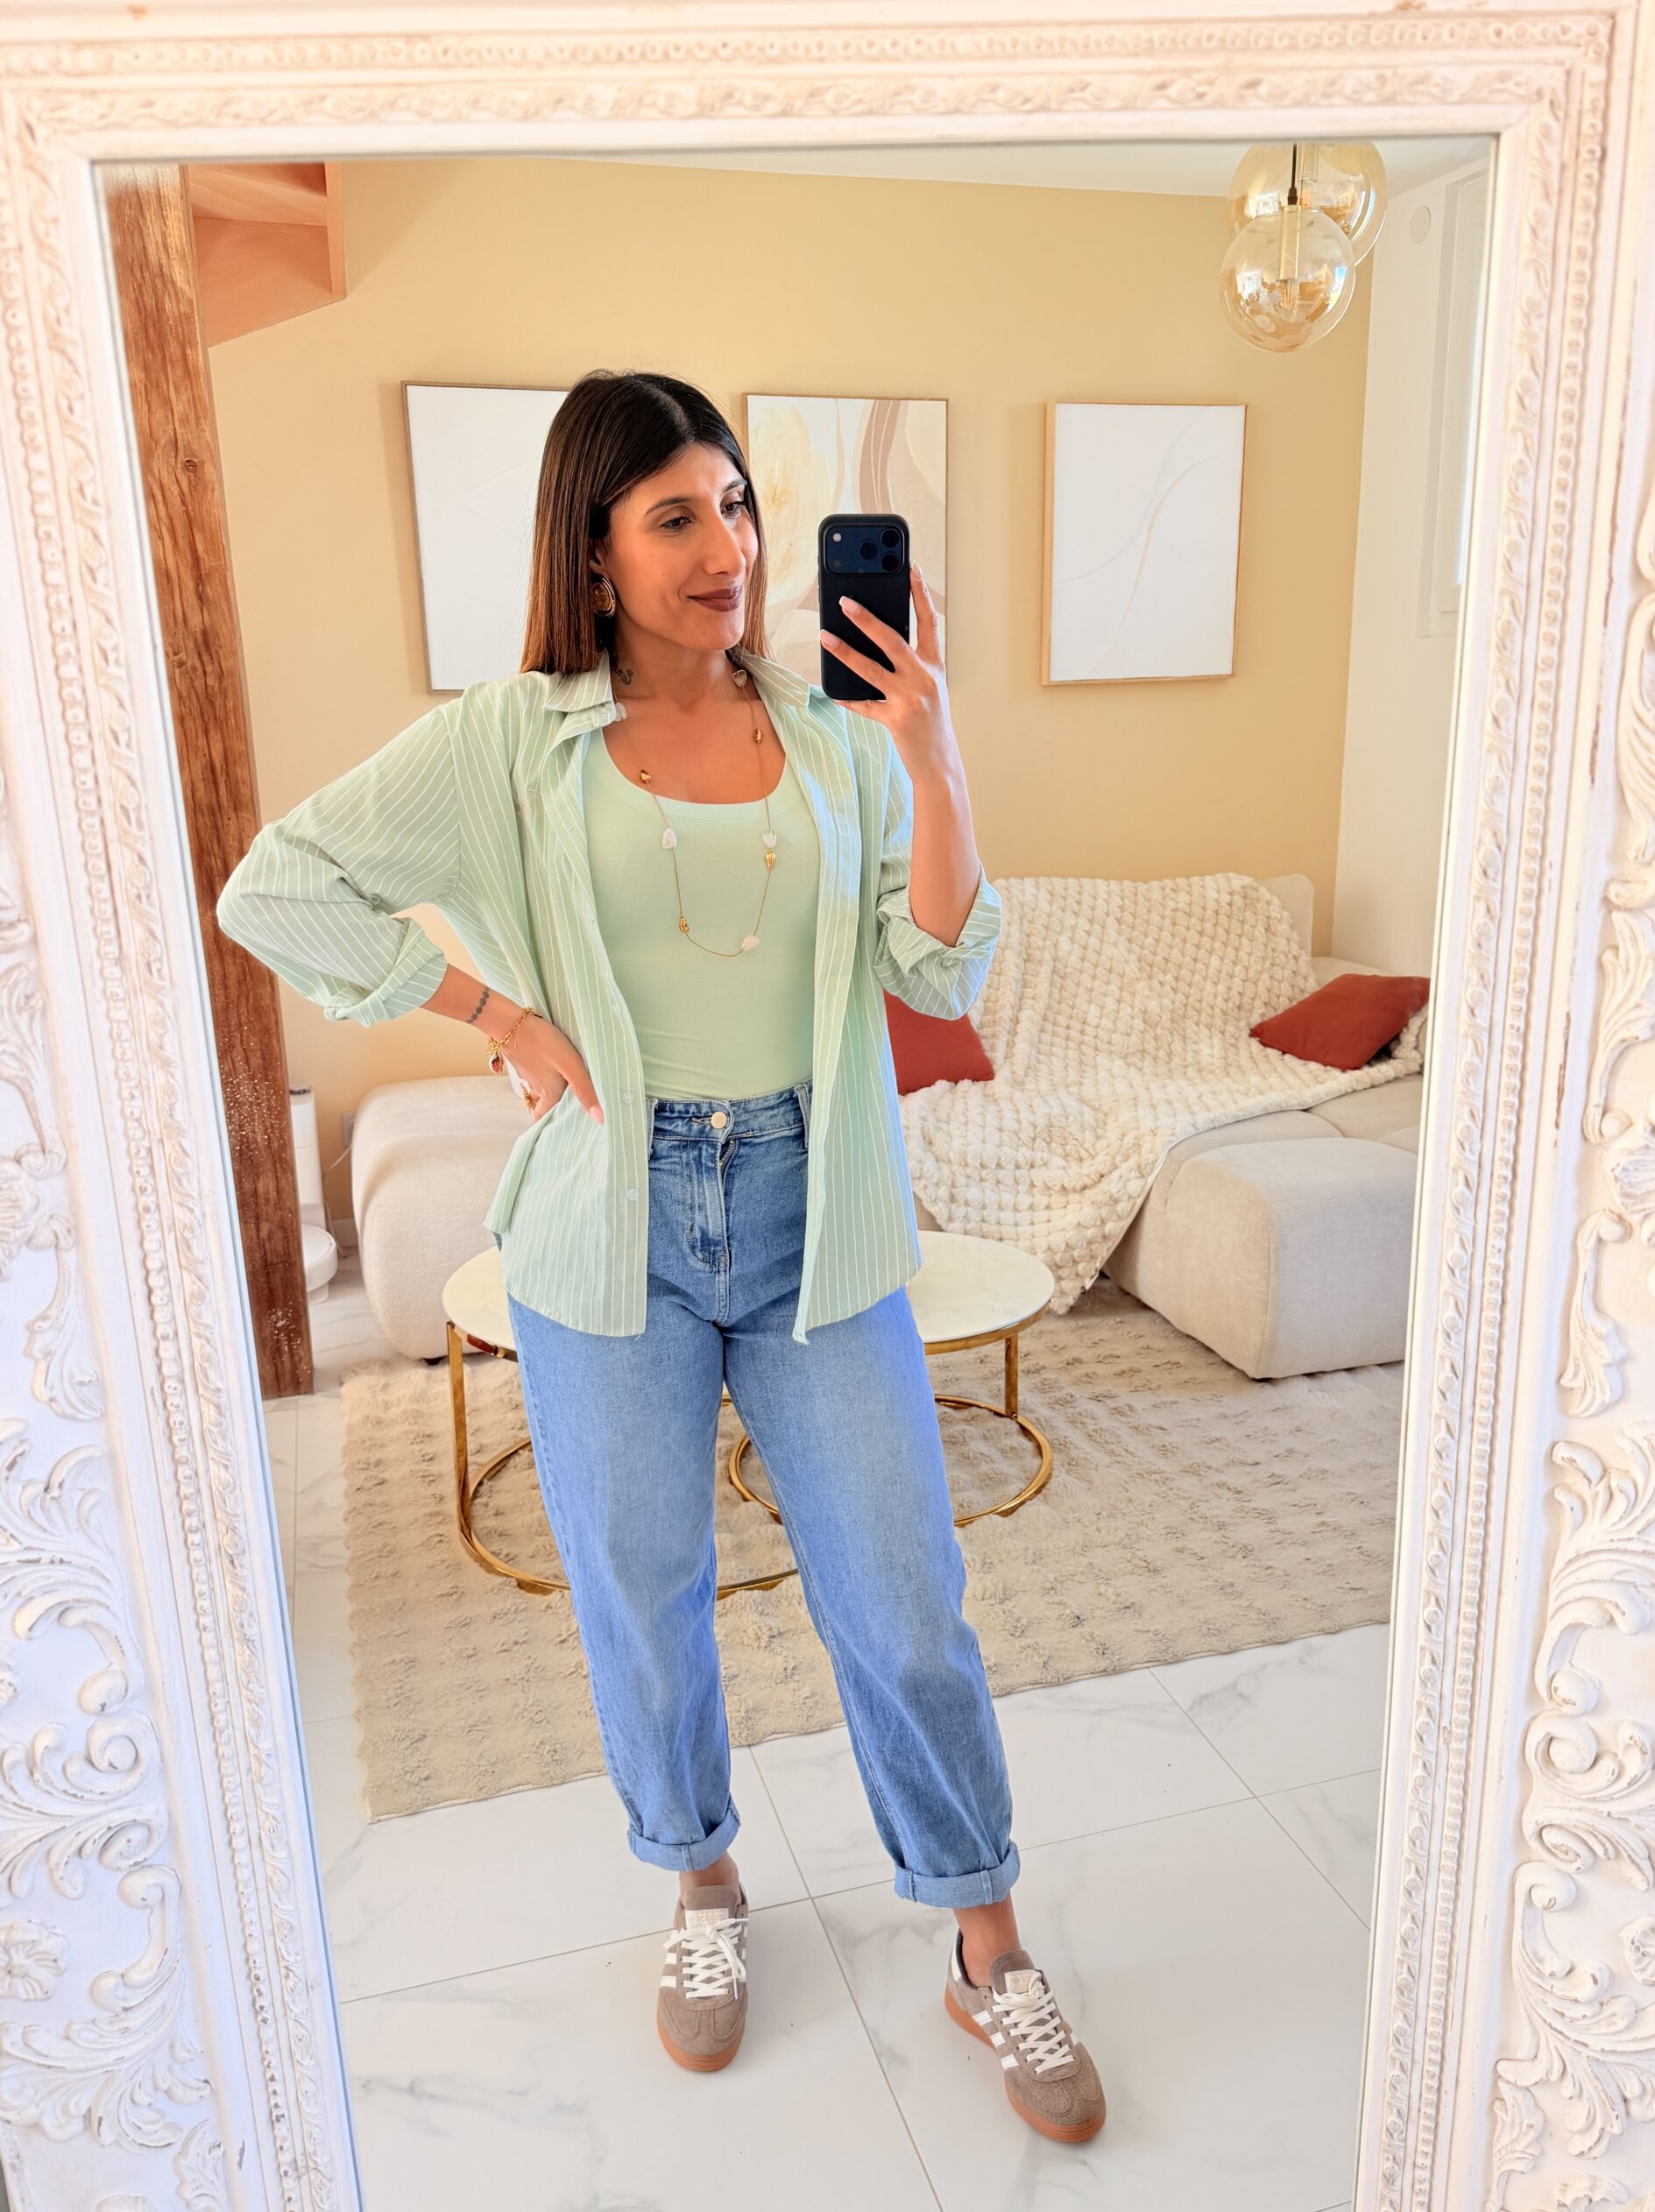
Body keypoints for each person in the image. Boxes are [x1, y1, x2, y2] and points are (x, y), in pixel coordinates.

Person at [216, 368, 1105, 2143]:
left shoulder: (839, 733)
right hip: (607, 1224)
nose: (730, 548)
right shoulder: (510, 739)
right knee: (641, 1587)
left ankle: (984, 1936)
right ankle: (701, 1879)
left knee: (903, 1594)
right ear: (597, 553)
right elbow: (277, 884)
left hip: (817, 1214)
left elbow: (937, 966)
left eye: (739, 504)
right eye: (676, 516)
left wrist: (932, 752)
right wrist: (494, 1012)